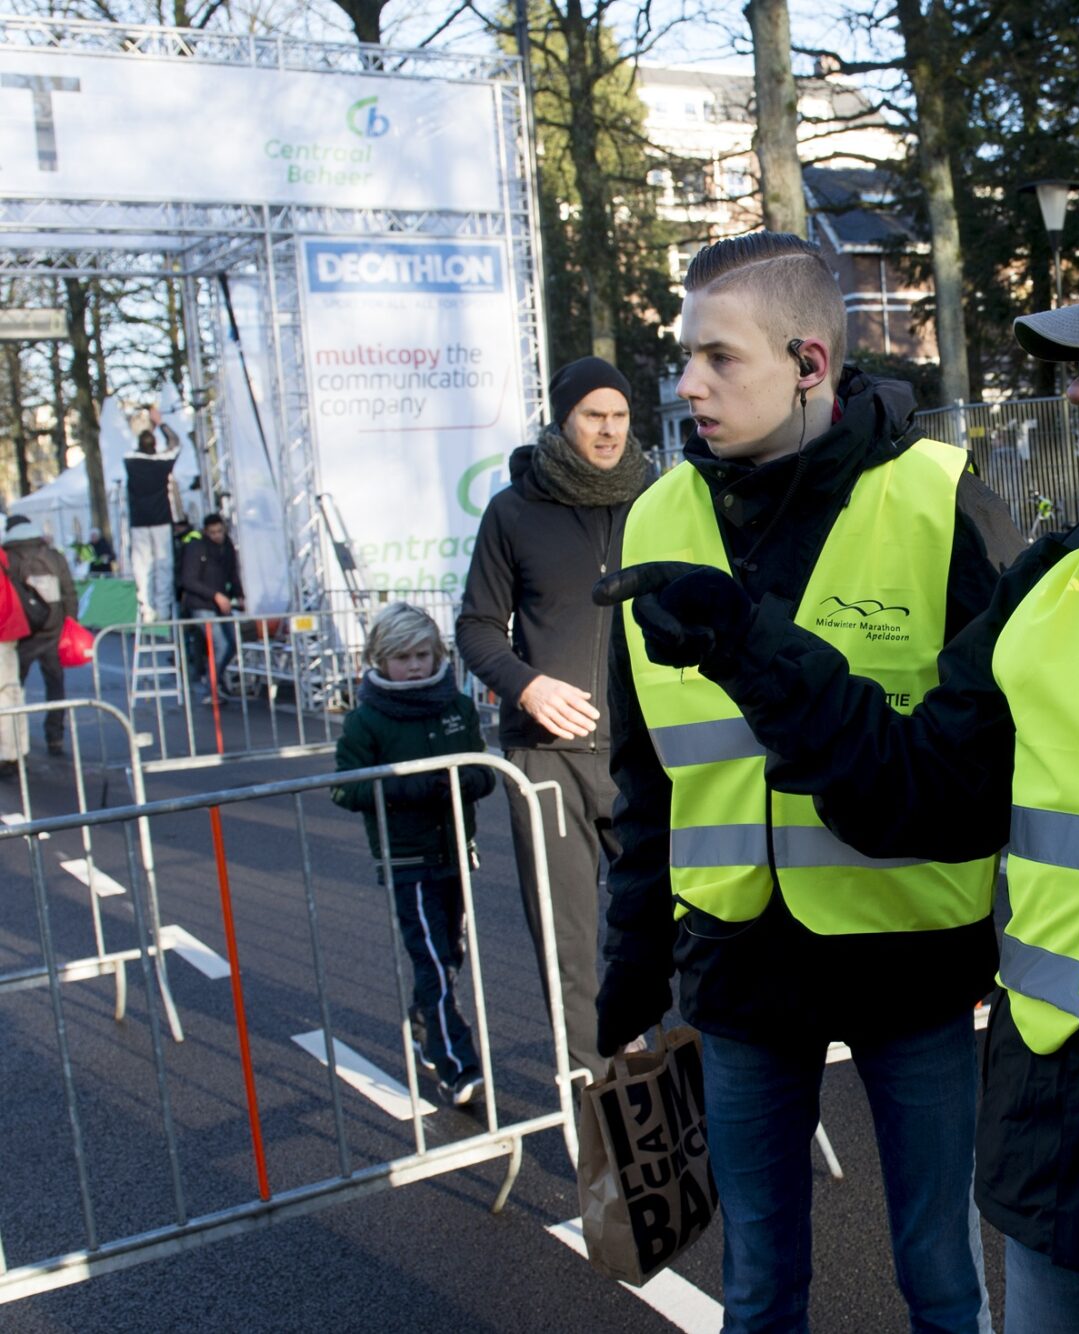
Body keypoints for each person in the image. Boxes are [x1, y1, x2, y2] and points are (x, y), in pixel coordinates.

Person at [604, 249, 1079, 1332]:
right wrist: (749, 649)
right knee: (762, 1286)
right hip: (1066, 1167)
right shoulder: (1057, 582)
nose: (1078, 385)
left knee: (936, 1280)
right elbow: (918, 790)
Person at [592, 232, 1023, 1334]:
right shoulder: (655, 518)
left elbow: (999, 758)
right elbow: (646, 776)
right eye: (683, 354)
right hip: (736, 962)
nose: (685, 383)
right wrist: (633, 969)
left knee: (940, 1275)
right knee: (757, 1285)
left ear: (809, 363)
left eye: (717, 357)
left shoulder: (941, 501)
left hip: (911, 959)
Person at [456, 354, 652, 1081]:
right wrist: (528, 686)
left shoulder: (660, 498)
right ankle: (599, 1105)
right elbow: (476, 626)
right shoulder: (513, 510)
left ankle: (674, 1073)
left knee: (673, 921)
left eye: (619, 415)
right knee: (568, 939)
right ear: (563, 421)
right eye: (592, 416)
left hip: (642, 751)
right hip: (544, 756)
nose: (607, 430)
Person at [331, 603, 497, 1109]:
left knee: (451, 955)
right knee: (433, 962)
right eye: (402, 656)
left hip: (456, 852)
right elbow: (345, 787)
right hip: (408, 859)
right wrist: (411, 786)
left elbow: (483, 769)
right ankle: (457, 1065)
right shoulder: (367, 719)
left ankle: (424, 1026)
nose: (415, 665)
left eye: (423, 654)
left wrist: (468, 777)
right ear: (380, 660)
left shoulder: (457, 705)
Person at [4, 515, 78, 755]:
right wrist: (70, 622)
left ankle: (16, 744)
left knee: (13, 690)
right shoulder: (52, 555)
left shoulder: (9, 557)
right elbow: (69, 591)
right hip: (53, 630)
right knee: (55, 686)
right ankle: (55, 735)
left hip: (22, 633)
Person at [124, 411, 182, 621]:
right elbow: (176, 444)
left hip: (139, 521)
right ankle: (163, 608)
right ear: (155, 444)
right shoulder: (161, 462)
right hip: (160, 520)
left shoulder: (130, 461)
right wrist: (161, 424)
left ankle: (146, 609)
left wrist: (148, 429)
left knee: (142, 566)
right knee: (163, 565)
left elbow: (132, 446)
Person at [177, 513, 241, 700]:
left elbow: (232, 572)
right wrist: (215, 595)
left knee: (231, 644)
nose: (217, 536)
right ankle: (211, 687)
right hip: (201, 604)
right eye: (212, 532)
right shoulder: (196, 548)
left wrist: (239, 594)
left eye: (220, 531)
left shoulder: (227, 547)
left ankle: (215, 679)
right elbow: (189, 580)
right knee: (220, 644)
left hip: (220, 604)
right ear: (206, 531)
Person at [0, 534, 30, 783]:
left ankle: (9, 753)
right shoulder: (4, 557)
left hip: (3, 633)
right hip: (10, 630)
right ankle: (18, 750)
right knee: (11, 692)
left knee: (5, 696)